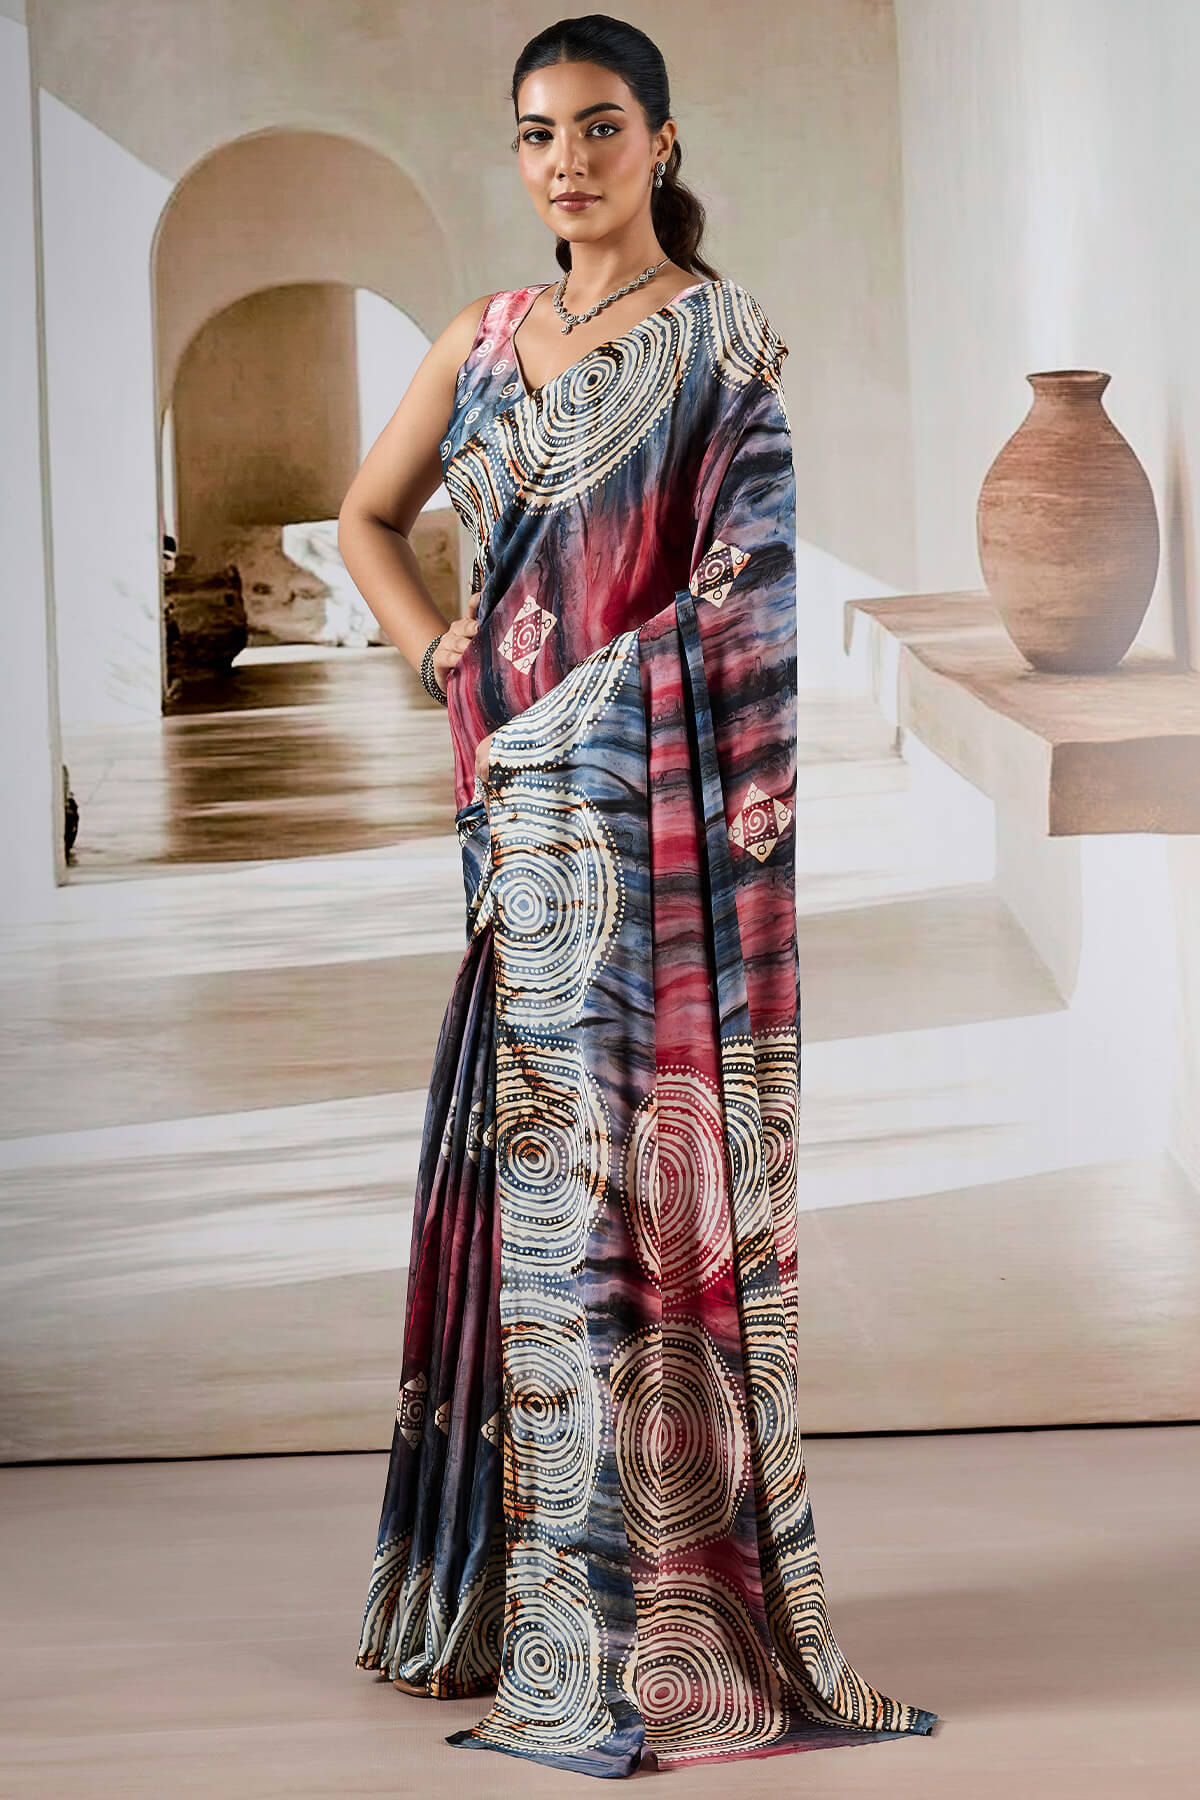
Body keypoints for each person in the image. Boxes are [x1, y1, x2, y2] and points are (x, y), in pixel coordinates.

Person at [336, 13, 938, 1780]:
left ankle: (638, 1601)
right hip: (514, 836)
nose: (567, 162)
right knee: (531, 1193)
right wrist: (438, 654)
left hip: (646, 841)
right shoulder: (484, 338)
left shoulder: (720, 345)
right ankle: (504, 1589)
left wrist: (579, 717)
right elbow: (370, 517)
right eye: (538, 133)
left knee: (626, 1196)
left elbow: (741, 597)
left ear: (661, 141)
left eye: (600, 127)